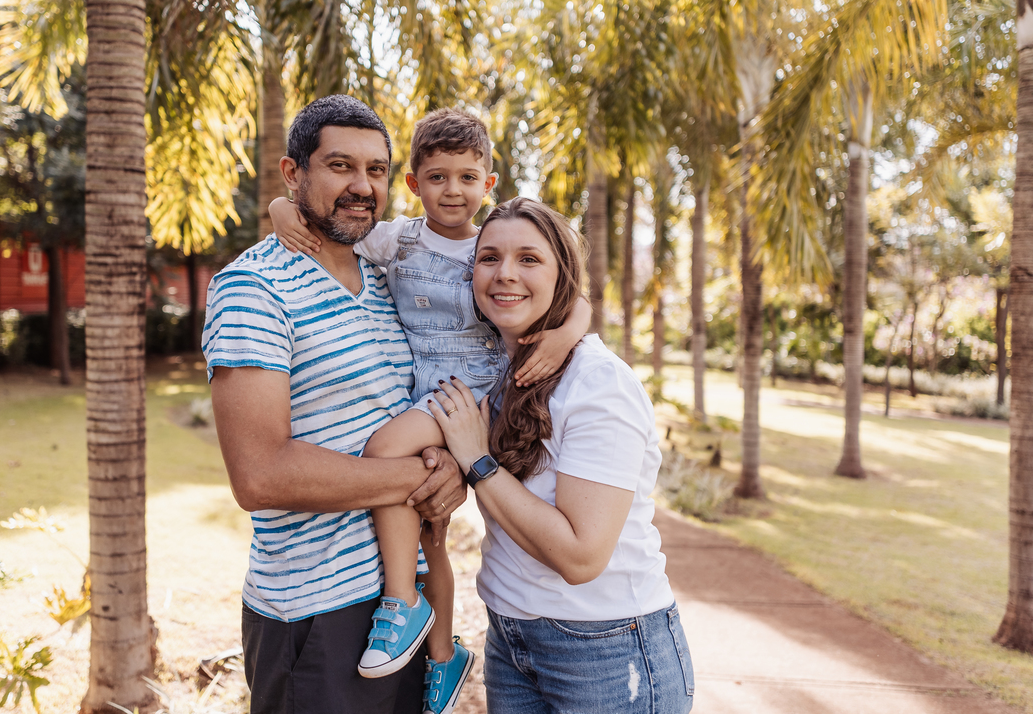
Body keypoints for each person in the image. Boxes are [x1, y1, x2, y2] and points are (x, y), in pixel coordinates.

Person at [269, 109, 589, 714]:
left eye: (468, 178)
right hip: (425, 393)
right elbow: (330, 221)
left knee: (381, 452)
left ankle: (402, 600)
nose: (453, 191)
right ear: (414, 185)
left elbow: (570, 286)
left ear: (488, 184)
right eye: (437, 178)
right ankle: (442, 657)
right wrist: (282, 210)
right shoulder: (398, 238)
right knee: (431, 533)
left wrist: (568, 332)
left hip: (469, 392)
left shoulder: (491, 245)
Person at [202, 95, 468, 714]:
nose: (362, 186)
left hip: (403, 610)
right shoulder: (253, 289)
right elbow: (260, 475)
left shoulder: (385, 279)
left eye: (376, 170)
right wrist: (425, 477)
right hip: (315, 615)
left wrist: (455, 468)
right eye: (341, 166)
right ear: (293, 174)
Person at [427, 197, 696, 714]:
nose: (506, 274)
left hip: (606, 651)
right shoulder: (494, 367)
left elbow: (581, 556)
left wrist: (477, 462)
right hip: (510, 639)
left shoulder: (597, 383)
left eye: (529, 259)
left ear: (561, 275)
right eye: (489, 258)